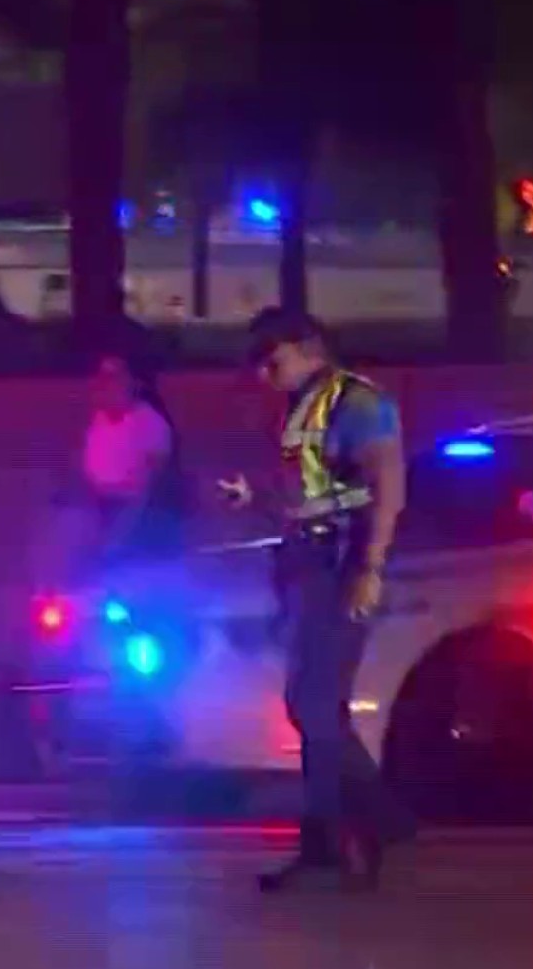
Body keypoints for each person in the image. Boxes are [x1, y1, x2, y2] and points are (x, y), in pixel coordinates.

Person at [231, 308, 415, 893]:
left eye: (272, 361)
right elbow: (309, 497)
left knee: (314, 705)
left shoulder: (357, 402)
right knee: (312, 706)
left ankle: (356, 830)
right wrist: (255, 498)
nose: (265, 375)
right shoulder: (305, 405)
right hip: (311, 566)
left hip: (342, 565)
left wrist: (371, 568)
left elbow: (387, 487)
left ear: (307, 346)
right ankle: (354, 832)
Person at [74, 350, 186, 570]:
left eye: (115, 377)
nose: (105, 384)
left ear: (132, 383)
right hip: (99, 508)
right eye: (102, 377)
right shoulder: (98, 421)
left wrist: (117, 533)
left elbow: (153, 485)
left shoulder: (150, 423)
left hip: (136, 516)